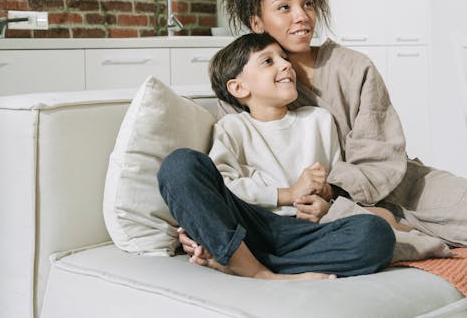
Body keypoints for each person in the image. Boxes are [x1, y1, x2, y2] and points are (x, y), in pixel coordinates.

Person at [180, 0, 467, 286]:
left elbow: (381, 158)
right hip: (320, 218)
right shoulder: (244, 84)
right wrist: (205, 225)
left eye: (307, 3)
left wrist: (330, 191)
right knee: (375, 234)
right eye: (284, 7)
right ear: (257, 21)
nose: (302, 16)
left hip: (405, 189)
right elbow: (242, 177)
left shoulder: (353, 68)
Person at [156, 32, 396, 280]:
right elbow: (220, 187)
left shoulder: (318, 120)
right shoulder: (232, 127)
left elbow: (333, 183)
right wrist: (287, 194)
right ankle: (258, 272)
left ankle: (244, 262)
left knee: (376, 234)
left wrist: (325, 203)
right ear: (238, 87)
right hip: (248, 226)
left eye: (284, 58)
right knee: (179, 165)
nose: (286, 65)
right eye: (268, 61)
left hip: (303, 231)